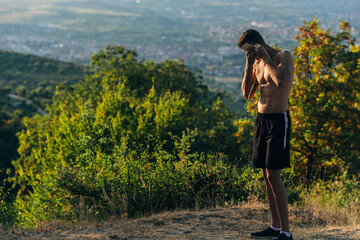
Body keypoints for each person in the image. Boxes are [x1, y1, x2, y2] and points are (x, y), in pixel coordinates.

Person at [238, 29, 294, 240]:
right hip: (261, 121)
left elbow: (280, 80)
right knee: (265, 174)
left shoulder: (282, 55)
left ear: (256, 44)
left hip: (279, 120)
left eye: (249, 50)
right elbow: (246, 93)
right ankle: (275, 226)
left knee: (273, 175)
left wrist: (267, 57)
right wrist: (248, 64)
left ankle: (286, 233)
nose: (249, 53)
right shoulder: (256, 63)